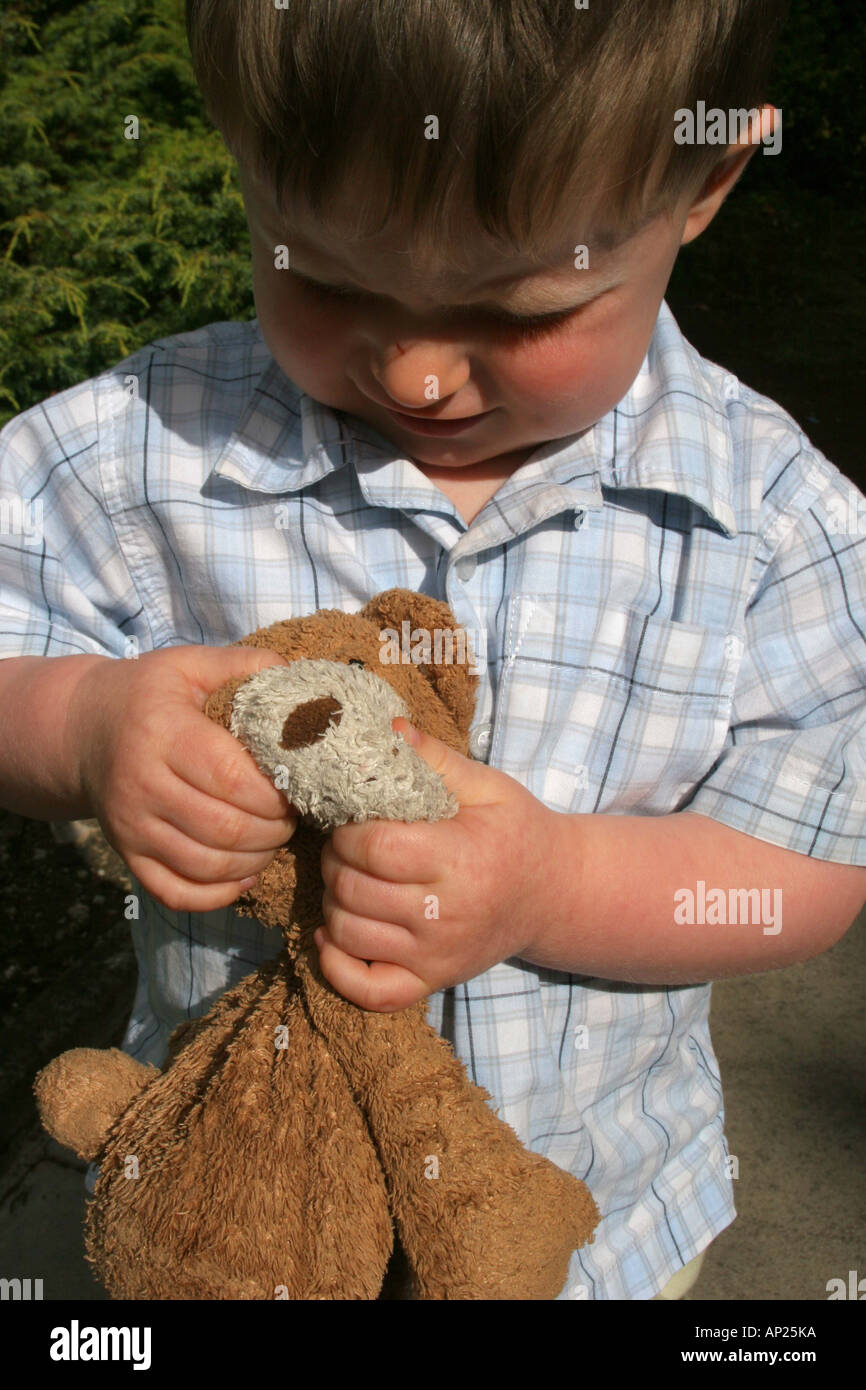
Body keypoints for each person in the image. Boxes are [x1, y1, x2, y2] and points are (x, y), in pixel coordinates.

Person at [1, 0, 864, 1301]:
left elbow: (803, 866)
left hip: (584, 1231)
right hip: (231, 1219)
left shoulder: (778, 524)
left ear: (706, 176)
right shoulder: (136, 451)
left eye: (516, 308)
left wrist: (554, 885)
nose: (412, 376)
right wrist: (82, 725)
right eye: (329, 278)